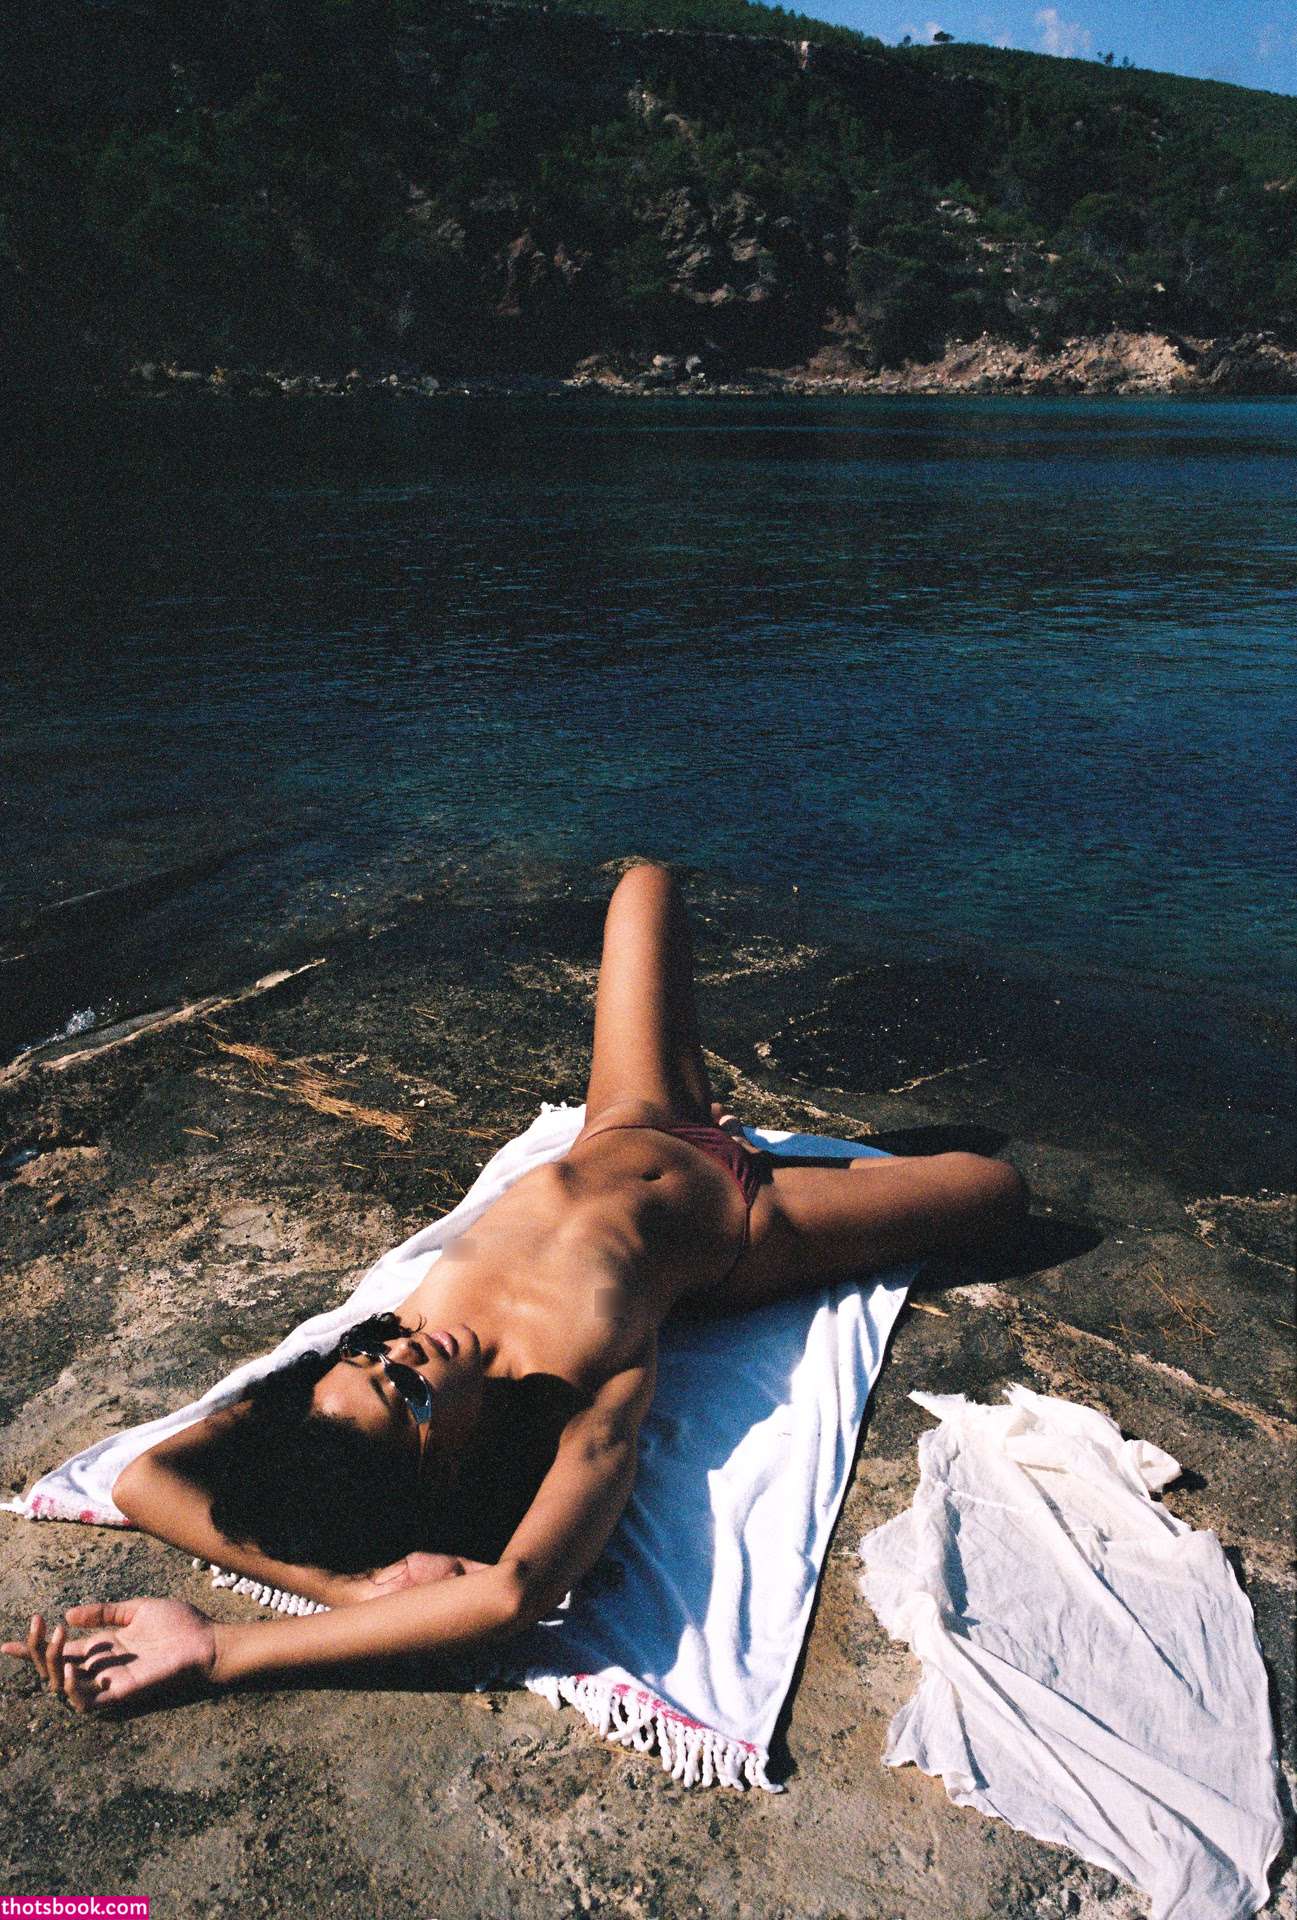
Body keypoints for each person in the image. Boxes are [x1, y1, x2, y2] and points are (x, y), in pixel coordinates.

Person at [4, 863, 1026, 1713]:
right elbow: (510, 1596)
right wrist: (226, 1649)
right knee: (997, 1190)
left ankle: (713, 1110)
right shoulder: (585, 1403)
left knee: (646, 883)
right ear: (441, 1465)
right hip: (746, 1219)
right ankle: (771, 1158)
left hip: (625, 1118)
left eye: (370, 1352)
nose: (400, 1349)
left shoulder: (390, 1348)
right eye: (404, 1390)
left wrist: (340, 1587)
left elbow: (144, 1480)